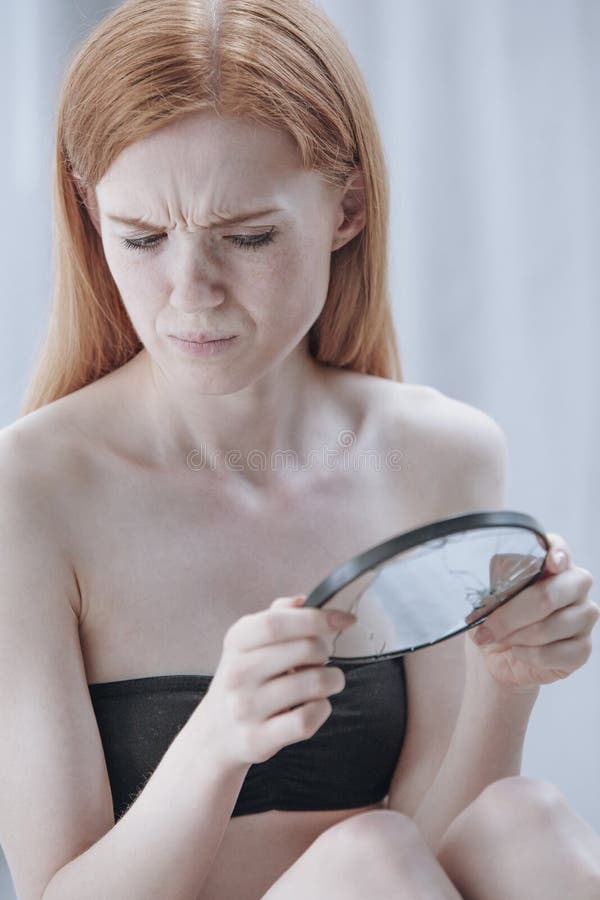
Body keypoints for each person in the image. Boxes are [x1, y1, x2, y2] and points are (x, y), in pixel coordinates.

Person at [1, 0, 599, 898]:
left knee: (523, 821)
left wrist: (506, 681)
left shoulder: (439, 452)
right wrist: (216, 742)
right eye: (142, 239)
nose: (189, 294)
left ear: (347, 209)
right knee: (370, 856)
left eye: (248, 237)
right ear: (90, 216)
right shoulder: (30, 490)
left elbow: (445, 837)